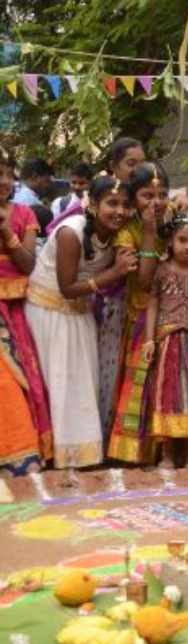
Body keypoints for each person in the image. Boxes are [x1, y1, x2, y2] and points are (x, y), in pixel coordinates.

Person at [26, 178, 135, 469]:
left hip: (80, 313)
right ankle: (55, 456)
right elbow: (67, 288)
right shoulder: (71, 233)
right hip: (49, 314)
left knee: (82, 384)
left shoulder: (119, 235)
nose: (120, 211)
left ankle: (82, 455)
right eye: (112, 203)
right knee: (58, 383)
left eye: (126, 204)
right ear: (94, 205)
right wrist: (115, 272)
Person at [108, 162, 173, 465]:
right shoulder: (127, 233)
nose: (156, 202)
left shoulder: (172, 223)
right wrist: (148, 233)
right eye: (148, 195)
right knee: (141, 386)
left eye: (162, 194)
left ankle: (167, 449)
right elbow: (145, 280)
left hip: (172, 319)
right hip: (140, 318)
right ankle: (134, 452)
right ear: (134, 198)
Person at [143, 211, 188, 468]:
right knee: (168, 394)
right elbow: (152, 303)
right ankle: (168, 454)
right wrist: (149, 340)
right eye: (182, 240)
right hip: (168, 341)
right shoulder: (161, 270)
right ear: (171, 240)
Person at [90, 139, 146, 445]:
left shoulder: (147, 205)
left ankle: (118, 440)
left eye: (142, 163)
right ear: (114, 167)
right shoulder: (102, 204)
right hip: (99, 301)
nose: (137, 171)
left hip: (133, 304)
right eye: (131, 164)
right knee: (100, 370)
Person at [0, 150, 52, 473]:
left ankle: (20, 453)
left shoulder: (23, 215)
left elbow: (29, 265)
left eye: (7, 173)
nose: (4, 181)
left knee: (20, 380)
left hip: (15, 309)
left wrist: (7, 234)